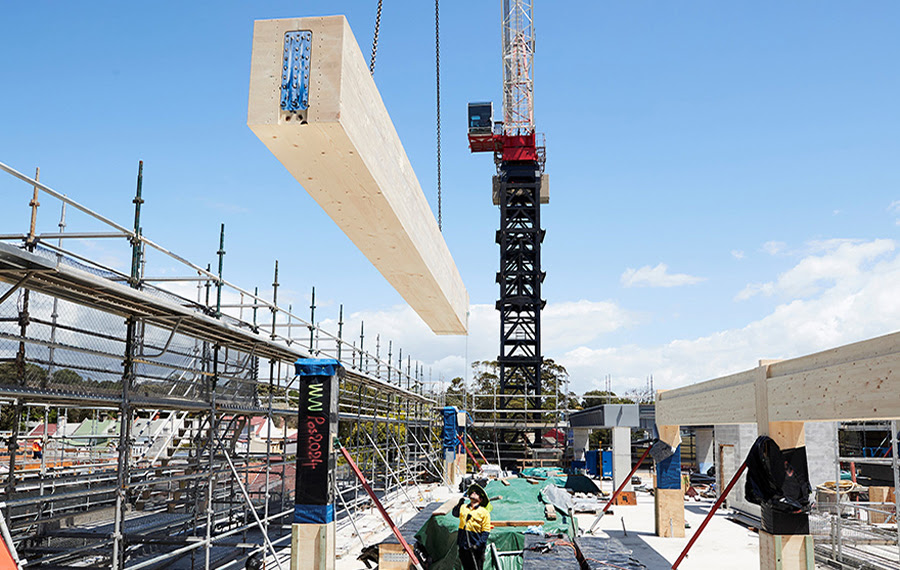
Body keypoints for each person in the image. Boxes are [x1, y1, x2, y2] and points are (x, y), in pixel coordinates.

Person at [452, 483, 491, 570]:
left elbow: (486, 531)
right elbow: (455, 514)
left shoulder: (484, 512)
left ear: (480, 499)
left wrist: (477, 545)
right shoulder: (464, 507)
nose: (473, 493)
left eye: (476, 493)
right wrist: (458, 505)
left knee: (476, 567)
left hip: (476, 545)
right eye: (472, 492)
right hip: (464, 544)